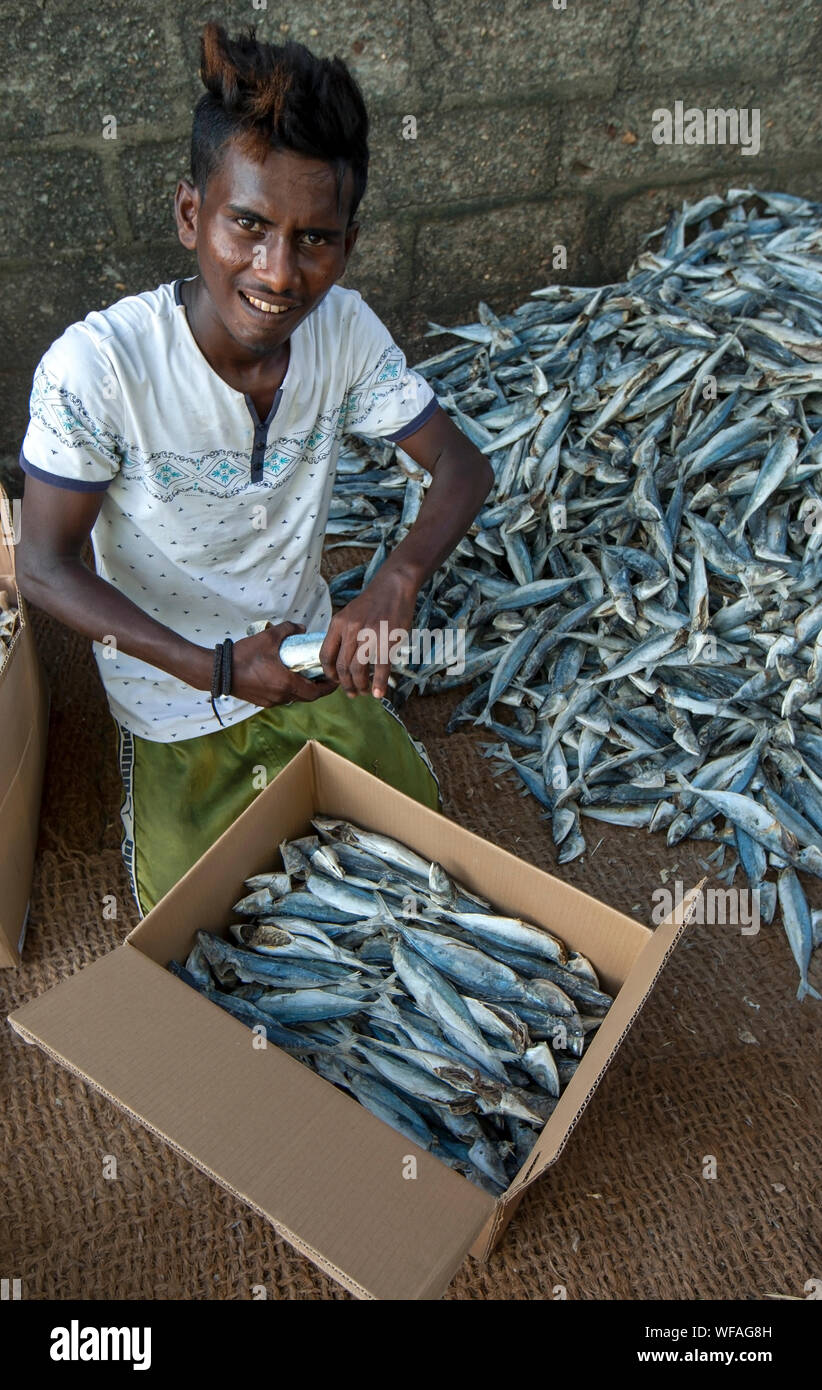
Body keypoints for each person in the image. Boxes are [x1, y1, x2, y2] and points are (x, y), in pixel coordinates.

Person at [15, 22, 494, 916]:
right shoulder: (100, 367)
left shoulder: (344, 330)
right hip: (171, 690)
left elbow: (463, 468)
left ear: (348, 244)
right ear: (191, 214)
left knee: (425, 866)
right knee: (204, 917)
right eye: (248, 225)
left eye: (315, 239)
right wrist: (216, 670)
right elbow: (41, 566)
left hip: (310, 658)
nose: (279, 273)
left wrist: (397, 578)